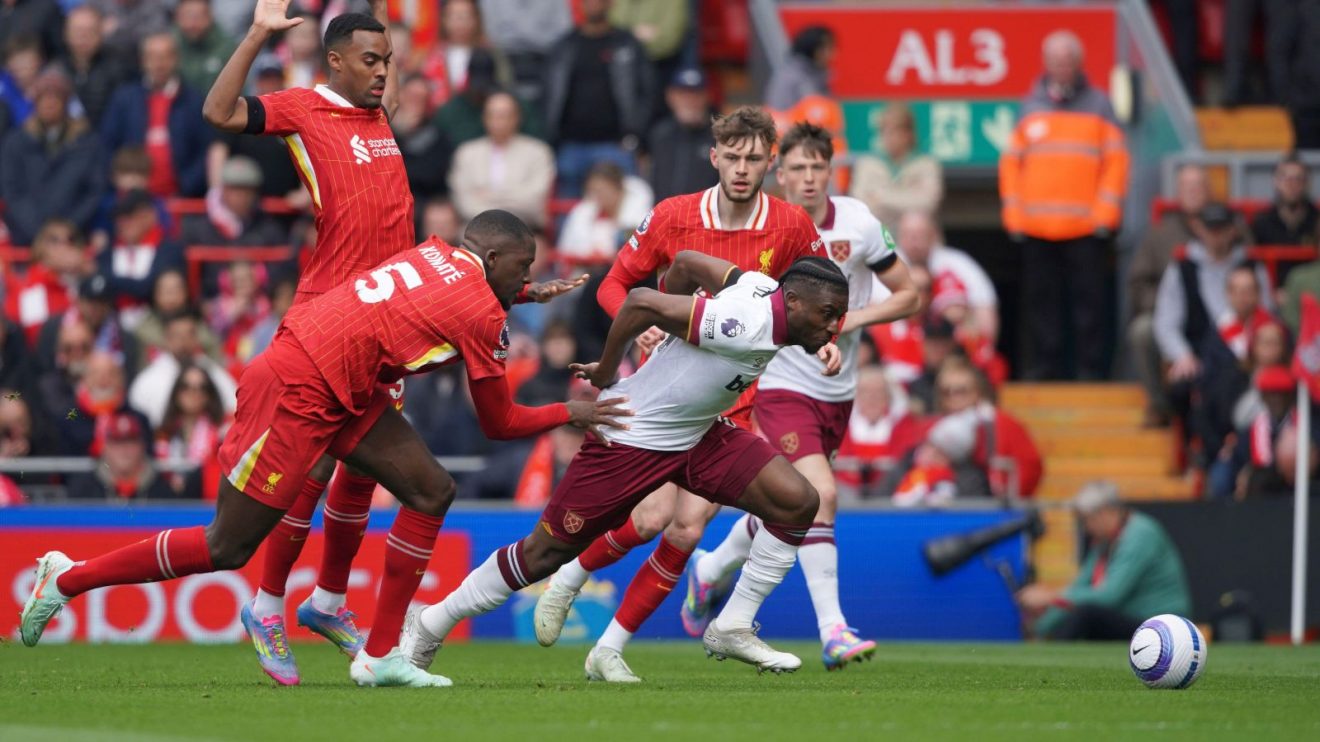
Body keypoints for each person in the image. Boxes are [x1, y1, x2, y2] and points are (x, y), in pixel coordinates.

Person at [18, 212, 627, 689]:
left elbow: (444, 299)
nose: (523, 279)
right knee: (226, 545)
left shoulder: (438, 251)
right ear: (491, 257)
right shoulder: (478, 308)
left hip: (339, 380)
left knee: (430, 489)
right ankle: (68, 576)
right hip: (297, 390)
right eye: (520, 269)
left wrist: (519, 295)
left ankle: (382, 656)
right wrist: (569, 411)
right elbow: (499, 422)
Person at [399, 251, 848, 679]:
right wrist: (607, 373)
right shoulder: (743, 324)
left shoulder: (758, 286)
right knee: (542, 554)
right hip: (631, 435)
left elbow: (688, 262)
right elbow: (639, 302)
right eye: (828, 314)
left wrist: (671, 341)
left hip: (696, 434)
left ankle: (732, 625)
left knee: (798, 501)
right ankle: (431, 621)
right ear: (793, 301)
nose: (835, 327)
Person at [529, 111, 856, 683]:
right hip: (664, 384)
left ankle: (609, 646)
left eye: (754, 158)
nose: (742, 168)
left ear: (769, 163)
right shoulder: (674, 214)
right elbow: (614, 285)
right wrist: (644, 327)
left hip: (729, 395)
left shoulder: (789, 225)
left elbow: (816, 295)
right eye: (732, 156)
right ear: (714, 156)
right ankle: (573, 576)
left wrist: (825, 345)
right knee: (653, 516)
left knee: (686, 526)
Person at [200, 0, 419, 681]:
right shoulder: (302, 108)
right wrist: (259, 34)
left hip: (386, 323)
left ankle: (325, 600)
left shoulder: (376, 115)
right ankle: (268, 605)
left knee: (363, 470)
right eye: (371, 61)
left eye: (387, 60)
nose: (384, 72)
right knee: (317, 469)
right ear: (335, 62)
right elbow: (219, 114)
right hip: (332, 319)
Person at [673, 123, 918, 672]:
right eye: (798, 169)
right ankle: (832, 630)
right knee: (822, 495)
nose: (808, 179)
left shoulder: (859, 223)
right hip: (782, 381)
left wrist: (850, 321)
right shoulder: (774, 230)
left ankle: (712, 569)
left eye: (818, 168)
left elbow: (909, 294)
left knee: (795, 504)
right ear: (780, 174)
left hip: (840, 388)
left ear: (832, 171)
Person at [1000, 30, 1129, 380]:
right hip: (1037, 229)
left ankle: (1090, 371)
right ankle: (1046, 368)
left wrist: (1106, 215)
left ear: (1079, 63)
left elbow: (1116, 164)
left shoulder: (1101, 105)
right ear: (1046, 64)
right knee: (1042, 305)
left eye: (1068, 61)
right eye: (1056, 61)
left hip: (1087, 228)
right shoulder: (1029, 107)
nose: (1062, 67)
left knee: (1089, 306)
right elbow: (1011, 166)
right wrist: (1015, 218)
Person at [1017, 481, 1191, 640]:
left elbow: (1109, 596)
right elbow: (1077, 589)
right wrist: (1040, 627)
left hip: (1164, 625)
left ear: (1107, 512)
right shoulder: (1106, 542)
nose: (1086, 529)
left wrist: (1049, 597)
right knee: (1084, 612)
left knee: (1087, 614)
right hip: (1137, 620)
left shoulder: (1141, 535)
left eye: (1087, 520)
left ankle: (1054, 659)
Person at [1128, 164, 1213, 427]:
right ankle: (1160, 405)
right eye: (1187, 186)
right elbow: (1138, 283)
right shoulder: (1161, 233)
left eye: (1198, 185)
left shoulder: (1230, 226)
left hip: (1219, 318)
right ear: (1177, 191)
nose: (1193, 192)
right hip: (1172, 318)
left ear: (1209, 191)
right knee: (1142, 330)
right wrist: (1167, 302)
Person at [542, 0, 656, 197]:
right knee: (568, 220)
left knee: (623, 219)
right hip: (570, 146)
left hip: (615, 146)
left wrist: (635, 136)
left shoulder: (627, 44)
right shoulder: (564, 46)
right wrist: (554, 139)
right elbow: (550, 95)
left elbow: (647, 94)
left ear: (610, 3)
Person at [100, 31, 212, 198]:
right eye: (152, 57)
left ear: (176, 59)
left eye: (165, 57)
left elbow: (206, 150)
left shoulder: (194, 101)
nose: (159, 64)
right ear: (142, 61)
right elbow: (107, 145)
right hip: (131, 201)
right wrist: (122, 183)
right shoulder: (124, 99)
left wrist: (185, 187)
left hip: (180, 201)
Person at [1, 69, 105, 246]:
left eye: (55, 97)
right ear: (35, 103)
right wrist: (40, 231)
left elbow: (94, 191)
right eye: (43, 98)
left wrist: (68, 226)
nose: (49, 103)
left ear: (65, 102)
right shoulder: (16, 142)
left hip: (74, 236)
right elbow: (12, 192)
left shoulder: (88, 143)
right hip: (26, 236)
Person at [448, 90, 555, 229]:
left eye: (503, 115)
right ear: (484, 118)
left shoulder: (538, 152)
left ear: (517, 118)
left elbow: (533, 202)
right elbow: (463, 202)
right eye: (492, 115)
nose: (497, 121)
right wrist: (511, 195)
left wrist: (489, 196)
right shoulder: (466, 153)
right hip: (476, 230)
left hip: (524, 229)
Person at [128, 310, 237, 427]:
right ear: (166, 339)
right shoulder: (147, 380)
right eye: (177, 335)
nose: (184, 342)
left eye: (189, 335)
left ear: (197, 338)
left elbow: (233, 410)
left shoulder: (215, 373)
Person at [849, 103, 943, 228]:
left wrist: (880, 197)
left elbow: (927, 203)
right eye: (885, 131)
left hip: (917, 242)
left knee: (914, 220)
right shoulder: (867, 164)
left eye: (896, 131)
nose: (890, 137)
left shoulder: (927, 164)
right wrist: (907, 199)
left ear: (908, 134)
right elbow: (859, 205)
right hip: (875, 238)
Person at [67, 411, 192, 501]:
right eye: (117, 442)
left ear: (142, 446)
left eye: (131, 441)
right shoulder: (83, 488)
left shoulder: (162, 489)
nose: (124, 449)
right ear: (106, 447)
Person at [3, 220, 93, 345]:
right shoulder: (32, 286)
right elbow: (34, 336)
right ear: (42, 247)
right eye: (55, 240)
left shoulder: (84, 280)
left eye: (71, 240)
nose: (65, 246)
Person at [154, 361, 229, 498]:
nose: (193, 393)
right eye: (186, 386)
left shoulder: (222, 433)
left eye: (202, 387)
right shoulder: (161, 432)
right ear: (176, 392)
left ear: (209, 394)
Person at [646, 67, 717, 201]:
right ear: (670, 96)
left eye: (696, 94)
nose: (690, 101)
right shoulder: (660, 135)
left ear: (707, 97)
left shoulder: (720, 137)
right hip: (663, 217)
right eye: (683, 94)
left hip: (705, 218)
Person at [55, 5, 131, 127]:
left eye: (90, 31)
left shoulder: (118, 69)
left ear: (101, 33)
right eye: (78, 31)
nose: (83, 37)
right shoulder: (55, 70)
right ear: (65, 33)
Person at [1251, 153, 1319, 247]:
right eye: (1286, 179)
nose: (1292, 185)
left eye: (1298, 179)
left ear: (1307, 183)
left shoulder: (1317, 220)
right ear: (1275, 182)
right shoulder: (1262, 223)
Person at [174, 0, 237, 95]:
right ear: (177, 18)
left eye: (197, 17)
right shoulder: (170, 44)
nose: (192, 24)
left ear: (210, 16)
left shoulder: (227, 48)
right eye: (187, 16)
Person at [765, 25, 834, 111]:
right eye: (828, 48)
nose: (832, 55)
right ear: (814, 50)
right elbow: (776, 112)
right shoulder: (789, 76)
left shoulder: (820, 78)